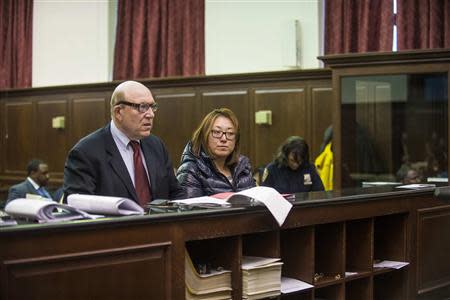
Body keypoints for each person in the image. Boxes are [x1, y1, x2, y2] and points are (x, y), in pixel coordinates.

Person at [63, 80, 185, 207]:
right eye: (142, 107)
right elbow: (78, 209)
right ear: (118, 112)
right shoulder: (86, 152)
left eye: (152, 107)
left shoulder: (156, 145)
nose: (151, 114)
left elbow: (175, 193)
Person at [176, 108, 255, 198]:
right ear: (204, 136)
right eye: (217, 132)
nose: (224, 139)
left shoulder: (243, 167)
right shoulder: (191, 169)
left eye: (230, 133)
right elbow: (190, 209)